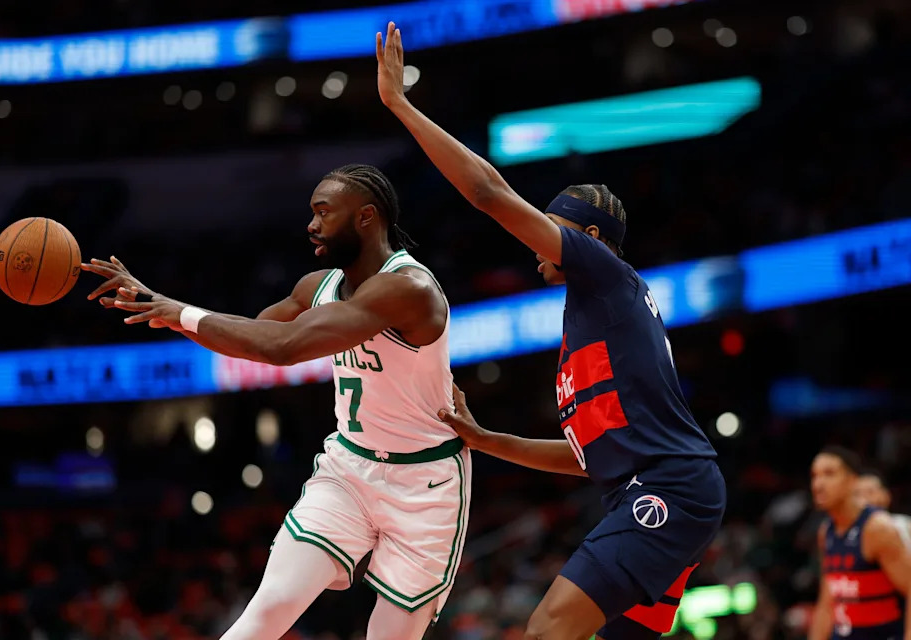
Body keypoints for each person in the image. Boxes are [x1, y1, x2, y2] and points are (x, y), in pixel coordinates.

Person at [375, 22, 725, 640]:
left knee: (545, 630)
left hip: (668, 490)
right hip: (646, 490)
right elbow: (589, 459)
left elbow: (487, 191)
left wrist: (401, 105)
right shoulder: (594, 319)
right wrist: (484, 440)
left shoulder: (606, 274)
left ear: (588, 239)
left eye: (551, 227)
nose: (536, 238)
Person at [80, 164, 470, 640]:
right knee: (269, 609)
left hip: (423, 482)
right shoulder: (316, 287)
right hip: (350, 470)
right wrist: (163, 308)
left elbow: (282, 348)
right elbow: (255, 337)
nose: (311, 225)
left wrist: (178, 310)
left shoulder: (407, 288)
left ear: (367, 217)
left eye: (324, 213)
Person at [809, 447, 911, 640]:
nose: (818, 484)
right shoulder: (826, 531)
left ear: (852, 481)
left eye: (829, 474)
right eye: (814, 476)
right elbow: (827, 600)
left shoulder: (876, 528)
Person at [856, 470, 911, 549]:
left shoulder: (906, 525)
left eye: (870, 492)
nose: (864, 500)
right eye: (858, 494)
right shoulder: (842, 532)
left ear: (886, 495)